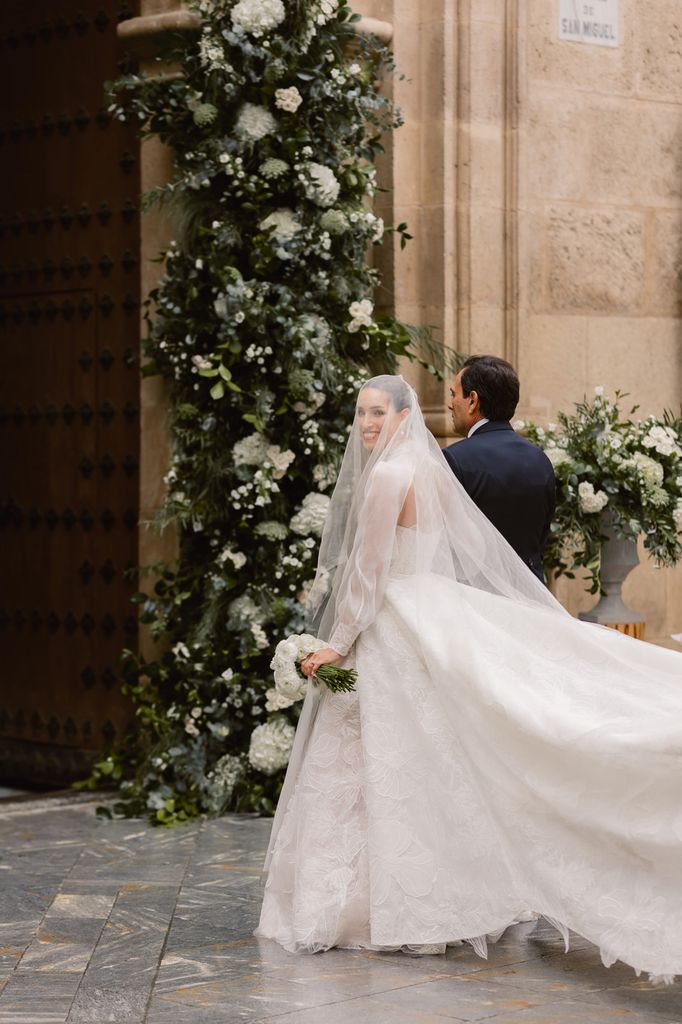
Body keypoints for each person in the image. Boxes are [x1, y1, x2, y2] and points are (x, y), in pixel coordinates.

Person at [256, 374, 682, 983]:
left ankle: (369, 906)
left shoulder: (387, 477)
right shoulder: (432, 472)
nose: (367, 424)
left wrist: (335, 643)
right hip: (430, 612)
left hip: (391, 625)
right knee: (428, 765)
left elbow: (370, 574)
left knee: (380, 763)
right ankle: (436, 901)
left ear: (405, 415)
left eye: (378, 413)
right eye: (360, 414)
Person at [443, 355, 555, 582]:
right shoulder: (540, 459)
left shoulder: (455, 458)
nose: (449, 403)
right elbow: (541, 537)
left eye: (454, 395)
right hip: (532, 596)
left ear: (473, 401)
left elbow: (446, 543)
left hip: (478, 599)